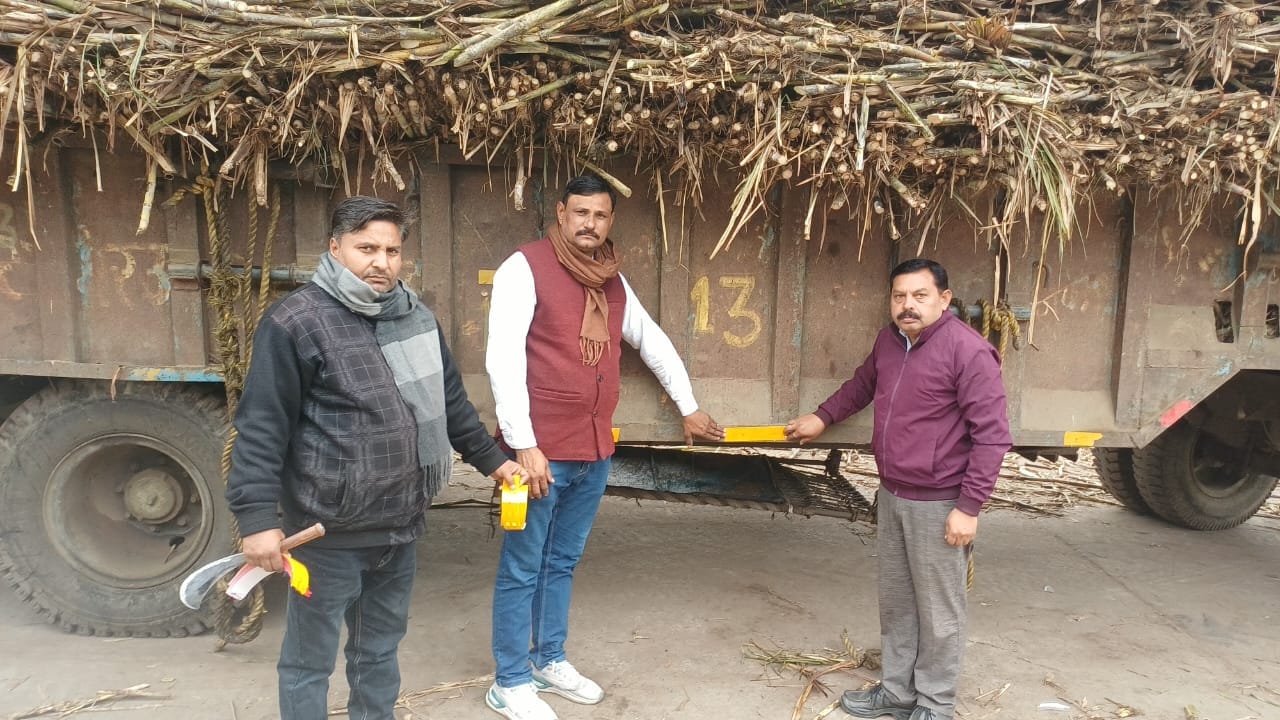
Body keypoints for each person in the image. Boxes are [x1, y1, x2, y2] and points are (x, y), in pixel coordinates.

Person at [226, 196, 524, 720]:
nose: (381, 262)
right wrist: (256, 520)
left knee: (378, 654)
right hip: (325, 534)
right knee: (308, 663)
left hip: (398, 529)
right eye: (366, 248)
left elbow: (451, 405)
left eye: (392, 250)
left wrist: (495, 462)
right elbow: (263, 427)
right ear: (335, 248)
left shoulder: (415, 316)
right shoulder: (296, 322)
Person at [483, 174, 725, 720]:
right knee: (523, 566)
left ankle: (548, 659)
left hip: (592, 451)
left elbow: (650, 339)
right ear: (561, 213)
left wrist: (687, 405)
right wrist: (523, 444)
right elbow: (503, 360)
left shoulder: (611, 280)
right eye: (580, 213)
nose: (589, 224)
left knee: (562, 561)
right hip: (539, 455)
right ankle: (509, 680)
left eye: (600, 215)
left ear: (610, 220)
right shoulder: (524, 267)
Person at [784, 258, 1011, 720]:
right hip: (892, 494)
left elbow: (992, 436)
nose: (908, 305)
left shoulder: (968, 351)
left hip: (940, 501)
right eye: (899, 296)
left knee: (939, 612)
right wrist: (822, 417)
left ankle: (935, 704)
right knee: (898, 603)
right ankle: (897, 692)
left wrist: (969, 507)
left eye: (920, 296)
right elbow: (862, 385)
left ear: (944, 299)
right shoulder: (890, 341)